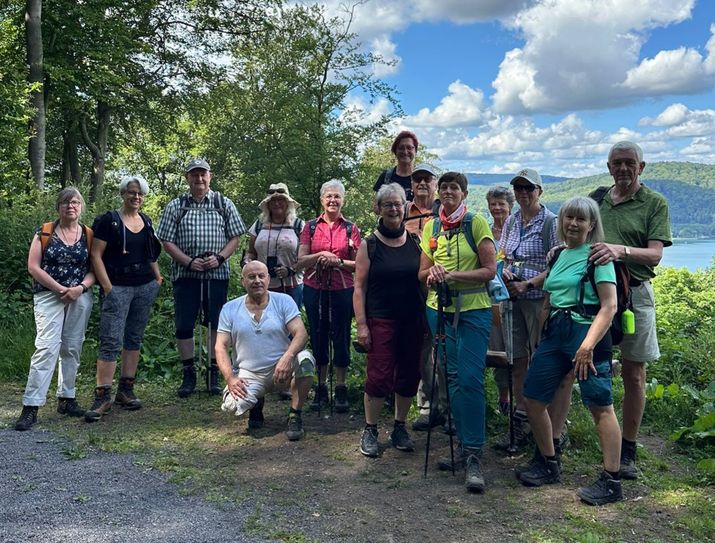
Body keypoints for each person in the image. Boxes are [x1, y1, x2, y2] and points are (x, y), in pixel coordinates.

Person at [518, 196, 623, 506]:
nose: (574, 224)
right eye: (569, 218)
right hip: (556, 333)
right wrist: (540, 340)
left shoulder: (598, 258)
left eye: (581, 219)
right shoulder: (559, 255)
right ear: (561, 221)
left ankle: (612, 480)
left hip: (587, 332)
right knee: (534, 397)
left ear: (592, 225)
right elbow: (550, 297)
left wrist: (587, 347)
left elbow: (609, 306)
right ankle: (549, 462)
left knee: (600, 404)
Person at [589, 141, 672, 479]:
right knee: (588, 363)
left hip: (636, 295)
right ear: (609, 167)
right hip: (597, 295)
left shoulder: (654, 203)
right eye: (617, 163)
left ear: (642, 166)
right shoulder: (598, 200)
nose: (623, 168)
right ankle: (599, 439)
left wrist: (618, 250)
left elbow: (654, 255)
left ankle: (629, 448)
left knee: (634, 373)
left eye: (629, 162)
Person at [418, 172, 496, 492]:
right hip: (439, 309)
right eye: (445, 187)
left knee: (470, 378)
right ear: (439, 191)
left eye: (455, 187)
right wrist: (433, 273)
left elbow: (490, 270)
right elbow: (423, 271)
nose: (449, 191)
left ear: (464, 193)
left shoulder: (476, 223)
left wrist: (454, 275)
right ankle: (464, 449)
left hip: (474, 310)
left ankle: (475, 454)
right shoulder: (431, 226)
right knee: (450, 377)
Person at [157, 158, 246, 398]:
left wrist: (219, 258)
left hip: (216, 274)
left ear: (210, 176)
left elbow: (236, 237)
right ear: (187, 178)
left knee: (215, 324)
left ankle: (214, 371)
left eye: (203, 174)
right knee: (185, 324)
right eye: (194, 175)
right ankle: (188, 373)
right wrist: (187, 261)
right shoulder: (177, 205)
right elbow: (166, 240)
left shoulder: (223, 203)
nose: (199, 179)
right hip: (186, 275)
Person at [14, 188, 95, 431]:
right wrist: (60, 288)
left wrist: (79, 288)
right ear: (58, 207)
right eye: (65, 202)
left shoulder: (88, 235)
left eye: (75, 202)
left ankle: (67, 398)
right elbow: (33, 266)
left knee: (72, 346)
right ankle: (31, 406)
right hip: (49, 296)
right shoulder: (45, 232)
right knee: (47, 347)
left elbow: (95, 268)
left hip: (79, 297)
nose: (70, 206)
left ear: (81, 206)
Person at [84, 176, 163, 422]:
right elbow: (95, 255)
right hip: (116, 287)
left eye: (140, 194)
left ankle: (126, 390)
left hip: (144, 286)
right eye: (131, 193)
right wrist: (107, 287)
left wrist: (158, 278)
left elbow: (151, 253)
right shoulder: (109, 221)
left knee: (134, 338)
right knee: (110, 339)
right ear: (123, 194)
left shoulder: (146, 221)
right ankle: (102, 395)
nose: (135, 197)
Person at [354, 183, 423, 457]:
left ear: (405, 207)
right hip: (380, 319)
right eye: (388, 205)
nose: (394, 209)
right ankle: (370, 429)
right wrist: (361, 325)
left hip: (412, 320)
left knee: (409, 374)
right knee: (379, 375)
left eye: (398, 204)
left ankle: (399, 426)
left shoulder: (416, 242)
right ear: (378, 208)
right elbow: (358, 287)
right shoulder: (368, 245)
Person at [496, 168, 559, 450]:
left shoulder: (551, 223)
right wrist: (506, 274)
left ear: (539, 191)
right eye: (518, 188)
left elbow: (559, 264)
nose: (522, 193)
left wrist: (529, 284)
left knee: (543, 360)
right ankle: (521, 420)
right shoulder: (511, 221)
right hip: (512, 298)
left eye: (528, 188)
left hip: (539, 301)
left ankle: (550, 426)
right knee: (518, 358)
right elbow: (504, 255)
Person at [216, 261, 315, 441]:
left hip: (282, 369)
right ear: (242, 281)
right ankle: (256, 402)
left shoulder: (284, 301)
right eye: (251, 277)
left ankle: (295, 415)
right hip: (249, 374)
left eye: (261, 276)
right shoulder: (230, 308)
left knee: (306, 360)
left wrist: (288, 357)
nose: (257, 281)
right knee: (232, 406)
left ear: (268, 279)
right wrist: (230, 379)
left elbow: (301, 333)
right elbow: (220, 346)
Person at [297, 179, 361, 413]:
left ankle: (341, 386)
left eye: (337, 196)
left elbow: (360, 265)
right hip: (315, 287)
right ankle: (321, 386)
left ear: (343, 200)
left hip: (343, 288)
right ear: (322, 199)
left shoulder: (350, 228)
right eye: (329, 196)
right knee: (318, 335)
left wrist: (339, 261)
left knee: (341, 336)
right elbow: (299, 261)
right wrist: (321, 255)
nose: (333, 200)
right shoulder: (310, 227)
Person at [405, 165, 449, 433]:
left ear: (435, 184)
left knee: (443, 345)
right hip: (408, 290)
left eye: (427, 179)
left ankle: (447, 406)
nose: (422, 183)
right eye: (417, 179)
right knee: (421, 346)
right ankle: (426, 405)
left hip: (438, 289)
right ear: (411, 184)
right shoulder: (401, 211)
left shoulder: (444, 213)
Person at [245, 183, 304, 308]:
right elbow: (251, 252)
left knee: (290, 324)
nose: (277, 203)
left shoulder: (299, 225)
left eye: (281, 200)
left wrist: (290, 270)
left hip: (291, 286)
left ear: (288, 202)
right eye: (273, 200)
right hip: (261, 285)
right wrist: (247, 262)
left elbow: (306, 258)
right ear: (268, 204)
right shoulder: (259, 225)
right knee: (264, 322)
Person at [486, 186, 516, 414]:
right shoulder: (485, 232)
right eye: (493, 204)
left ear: (511, 206)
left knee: (515, 347)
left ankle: (521, 399)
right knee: (497, 347)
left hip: (515, 296)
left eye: (501, 204)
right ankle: (504, 397)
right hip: (490, 298)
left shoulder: (516, 230)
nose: (497, 208)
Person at [373, 131, 419, 201]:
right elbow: (376, 206)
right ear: (395, 151)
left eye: (409, 148)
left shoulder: (421, 178)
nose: (405, 152)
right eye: (401, 148)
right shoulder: (386, 177)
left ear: (415, 151)